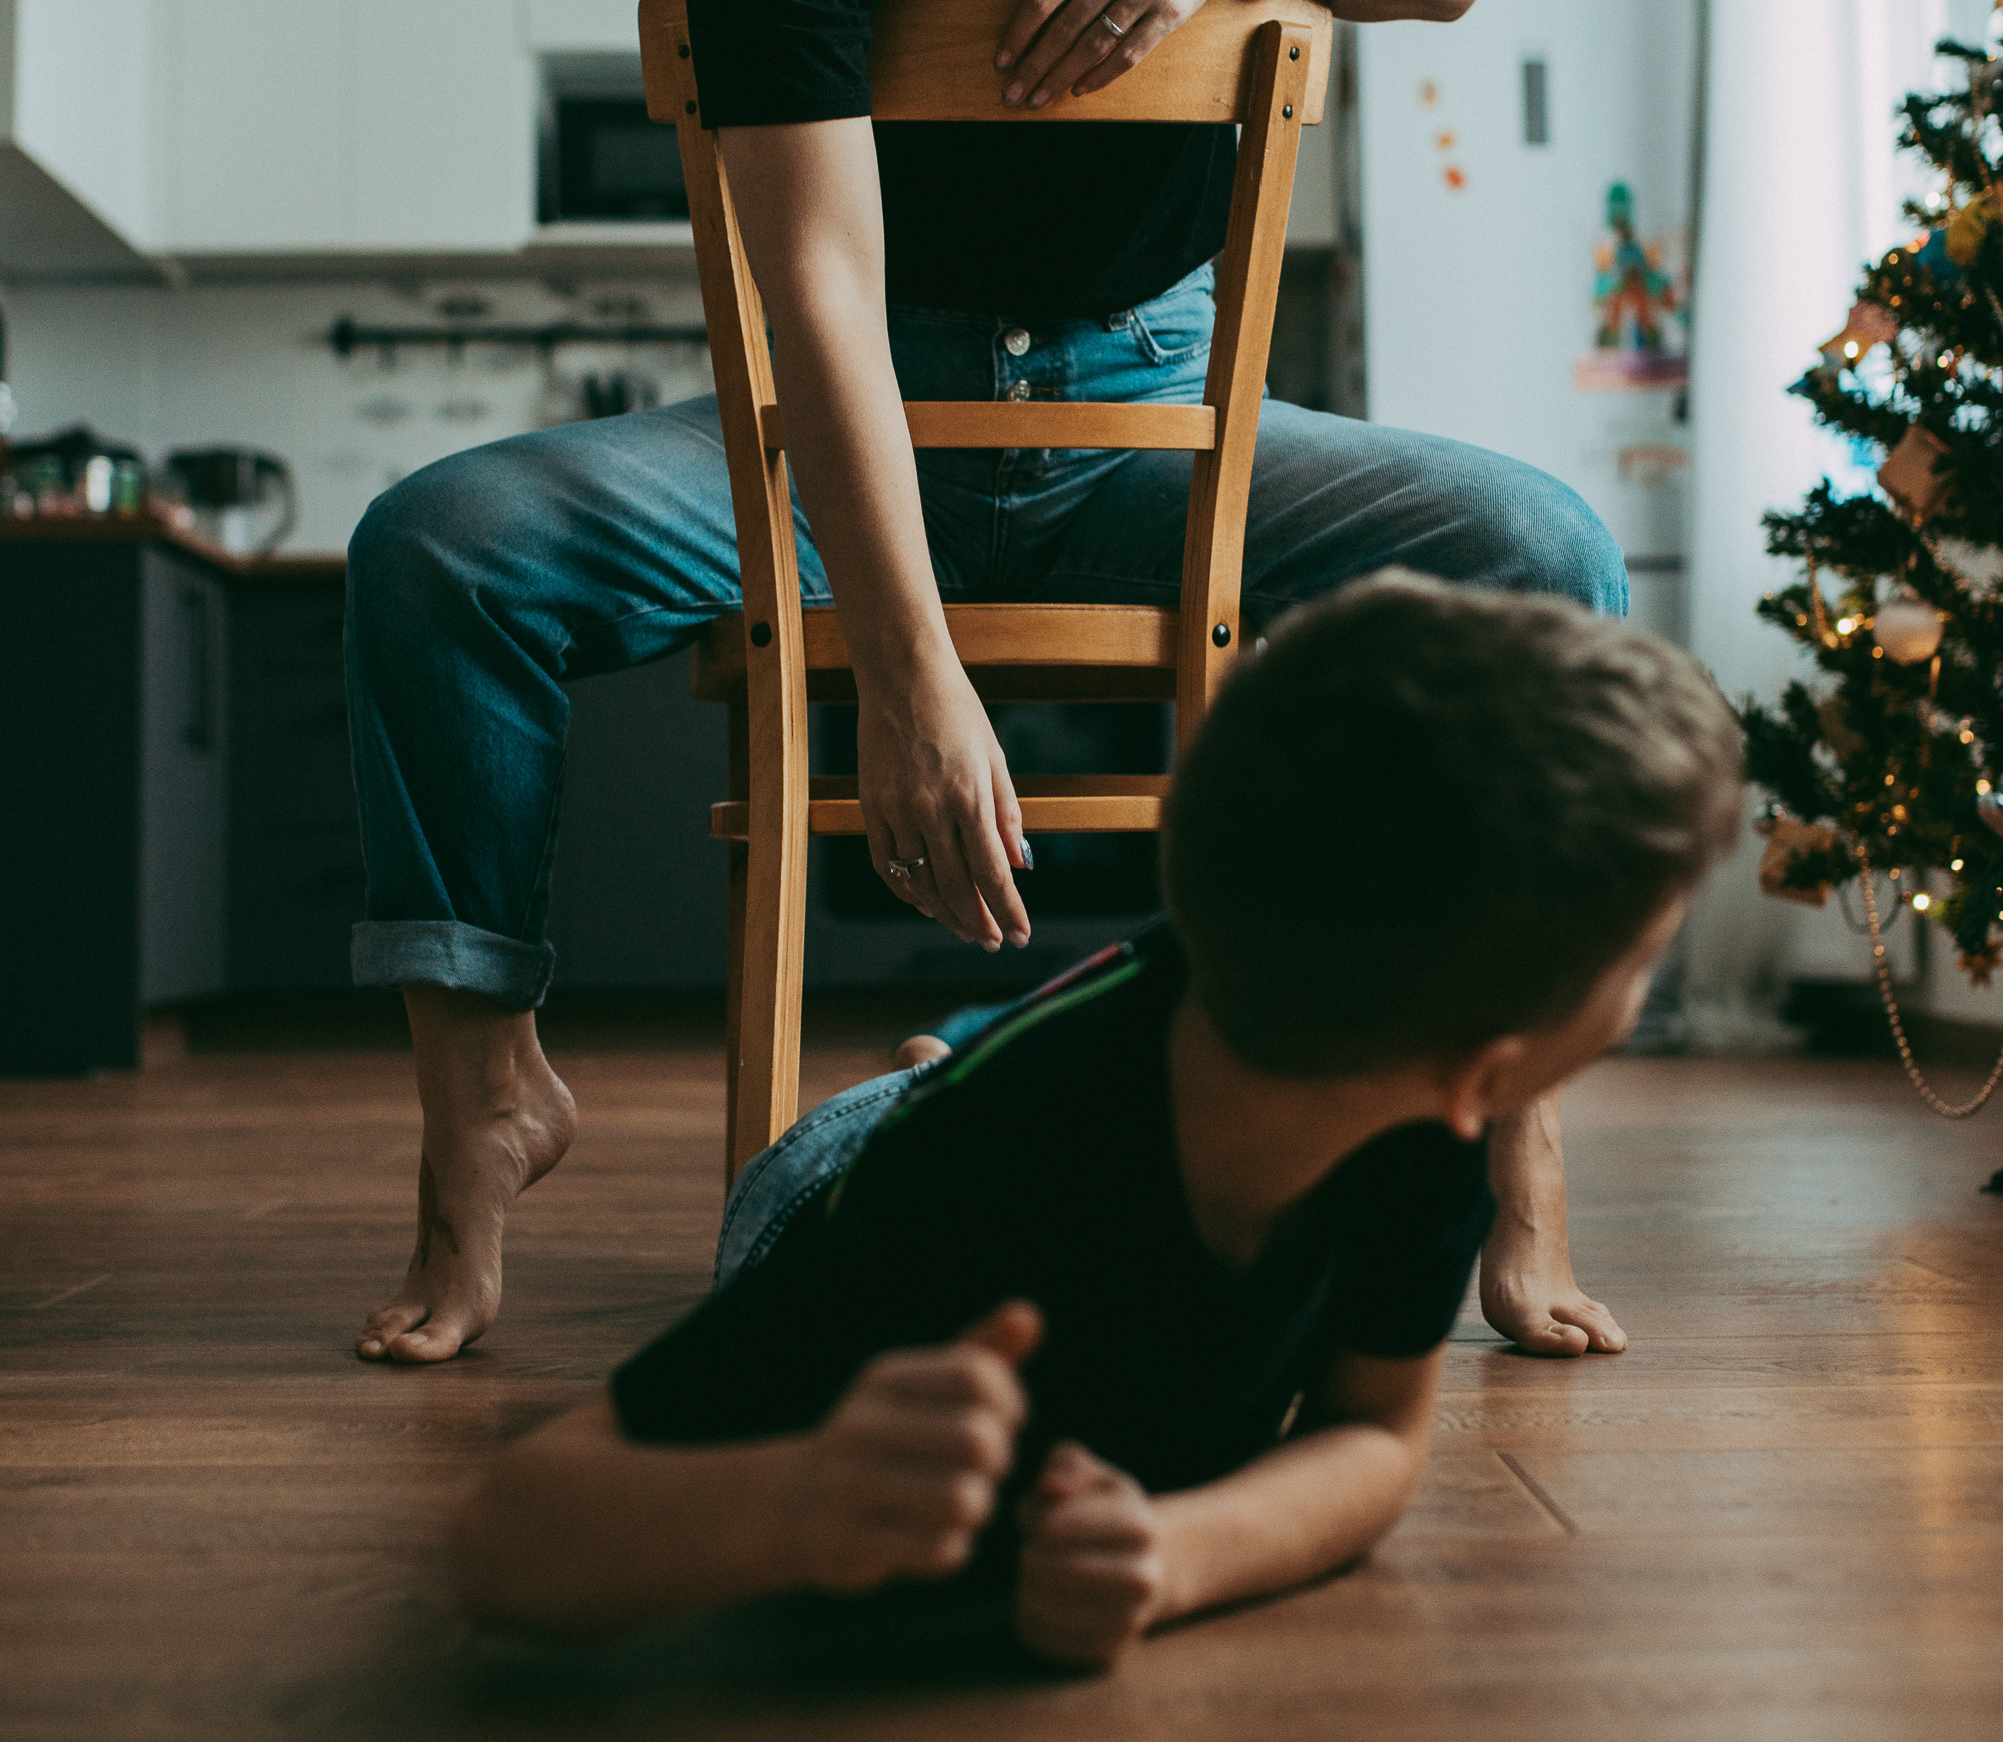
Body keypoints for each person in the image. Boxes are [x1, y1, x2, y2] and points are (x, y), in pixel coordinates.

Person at [346, 0, 1631, 1372]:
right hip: (854, 440)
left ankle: (1513, 1128)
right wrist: (912, 676)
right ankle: (485, 1093)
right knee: (436, 549)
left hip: (1155, 432)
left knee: (1548, 550)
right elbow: (825, 311)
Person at [452, 578, 1742, 1660]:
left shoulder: (1426, 1121)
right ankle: (930, 1064)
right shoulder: (981, 1183)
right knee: (935, 1097)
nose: (1644, 991)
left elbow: (1373, 1435)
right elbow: (511, 1534)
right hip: (844, 1179)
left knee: (1030, 1046)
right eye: (1642, 961)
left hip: (1126, 1051)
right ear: (1489, 1063)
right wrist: (798, 1497)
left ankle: (954, 1041)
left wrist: (1177, 1554)